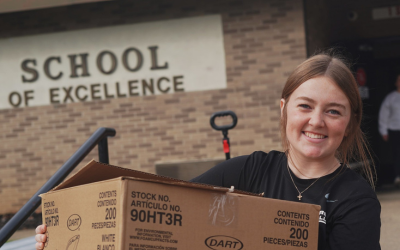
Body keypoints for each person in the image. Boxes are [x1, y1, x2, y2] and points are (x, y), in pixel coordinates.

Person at [35, 52, 381, 250]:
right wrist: (68, 234)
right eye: (305, 106)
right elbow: (159, 207)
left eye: (333, 111)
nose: (316, 121)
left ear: (349, 123)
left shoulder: (355, 200)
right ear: (284, 109)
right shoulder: (248, 171)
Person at [378, 74, 400, 186]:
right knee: (397, 153)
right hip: (395, 129)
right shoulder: (391, 98)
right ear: (396, 83)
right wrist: (384, 131)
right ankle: (397, 176)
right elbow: (384, 115)